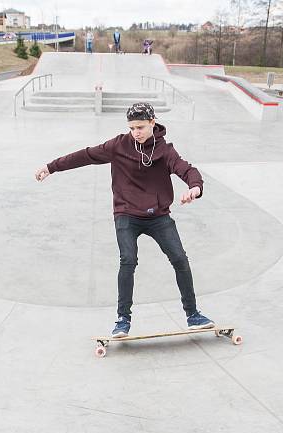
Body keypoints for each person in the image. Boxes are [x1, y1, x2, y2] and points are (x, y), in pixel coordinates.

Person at [34, 102, 214, 338]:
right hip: (127, 214)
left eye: (140, 127)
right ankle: (123, 320)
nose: (135, 132)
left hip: (159, 215)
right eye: (131, 128)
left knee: (180, 258)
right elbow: (85, 155)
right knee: (128, 260)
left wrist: (195, 187)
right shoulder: (119, 145)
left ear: (152, 122)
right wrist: (51, 167)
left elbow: (186, 169)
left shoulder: (165, 150)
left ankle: (193, 315)